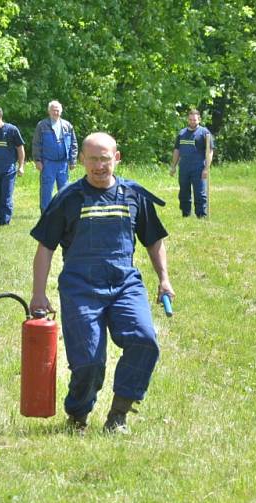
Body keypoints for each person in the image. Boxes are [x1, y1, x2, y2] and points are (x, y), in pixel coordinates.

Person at [29, 132, 175, 433]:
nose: (99, 166)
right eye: (93, 159)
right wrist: (38, 294)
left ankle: (118, 415)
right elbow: (45, 247)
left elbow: (154, 240)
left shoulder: (134, 196)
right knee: (89, 361)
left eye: (105, 159)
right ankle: (78, 415)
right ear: (82, 160)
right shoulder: (68, 198)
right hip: (80, 288)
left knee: (145, 340)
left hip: (124, 284)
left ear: (116, 158)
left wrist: (164, 279)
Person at [32, 100, 78, 212]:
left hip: (63, 163)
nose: (55, 112)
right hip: (48, 163)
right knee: (46, 190)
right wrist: (37, 160)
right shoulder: (42, 125)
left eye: (57, 110)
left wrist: (73, 160)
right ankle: (45, 214)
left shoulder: (67, 125)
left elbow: (74, 143)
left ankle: (64, 213)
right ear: (49, 111)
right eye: (53, 110)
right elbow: (36, 143)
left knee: (64, 189)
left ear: (61, 111)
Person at [169, 109, 215, 218]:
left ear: (199, 119)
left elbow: (210, 152)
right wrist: (173, 166)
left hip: (198, 168)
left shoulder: (205, 133)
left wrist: (206, 169)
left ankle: (201, 216)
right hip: (184, 168)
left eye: (194, 120)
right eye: (190, 119)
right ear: (187, 120)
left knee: (199, 194)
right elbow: (177, 150)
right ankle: (186, 214)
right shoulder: (182, 133)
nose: (192, 122)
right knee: (184, 193)